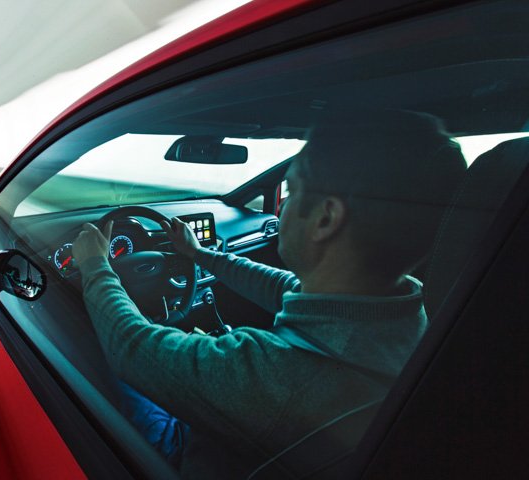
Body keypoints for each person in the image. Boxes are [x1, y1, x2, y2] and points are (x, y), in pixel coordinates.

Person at [72, 110, 467, 478]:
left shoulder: (275, 373)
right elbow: (285, 287)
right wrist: (200, 255)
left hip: (193, 457)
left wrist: (94, 265)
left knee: (97, 352)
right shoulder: (408, 312)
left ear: (325, 218)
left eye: (291, 191)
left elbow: (130, 346)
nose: (281, 210)